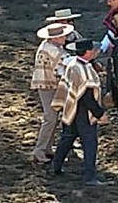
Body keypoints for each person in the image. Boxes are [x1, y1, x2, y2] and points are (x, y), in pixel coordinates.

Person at [51, 38, 109, 187]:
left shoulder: (73, 63)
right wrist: (99, 113)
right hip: (83, 112)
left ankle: (55, 167)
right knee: (90, 143)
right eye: (93, 50)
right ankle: (89, 176)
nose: (95, 52)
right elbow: (87, 97)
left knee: (67, 138)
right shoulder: (84, 70)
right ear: (88, 52)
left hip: (71, 109)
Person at [31, 23, 74, 164]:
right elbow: (65, 63)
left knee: (53, 117)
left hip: (47, 84)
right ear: (55, 38)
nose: (65, 38)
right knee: (50, 118)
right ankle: (39, 150)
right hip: (48, 85)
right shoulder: (52, 50)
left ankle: (47, 148)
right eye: (62, 36)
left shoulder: (49, 46)